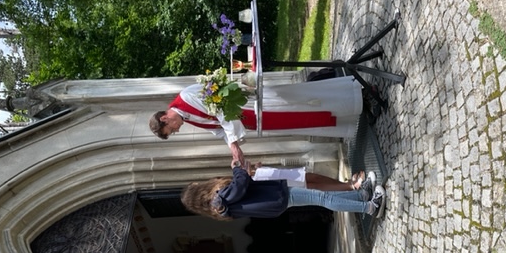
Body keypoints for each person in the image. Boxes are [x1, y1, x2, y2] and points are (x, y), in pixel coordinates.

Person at [149, 76, 363, 164]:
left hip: (253, 105)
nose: (177, 130)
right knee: (303, 121)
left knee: (303, 103)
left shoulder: (187, 97)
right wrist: (233, 148)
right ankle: (352, 119)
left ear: (165, 118)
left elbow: (222, 111)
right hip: (255, 120)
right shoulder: (187, 117)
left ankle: (353, 96)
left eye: (172, 129)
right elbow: (218, 129)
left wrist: (234, 143)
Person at [180, 160, 387, 221]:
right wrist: (237, 169)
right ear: (199, 191)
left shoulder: (218, 207)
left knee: (321, 197)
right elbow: (239, 187)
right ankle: (370, 207)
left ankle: (360, 195)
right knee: (323, 198)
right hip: (276, 197)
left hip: (274, 201)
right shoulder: (219, 199)